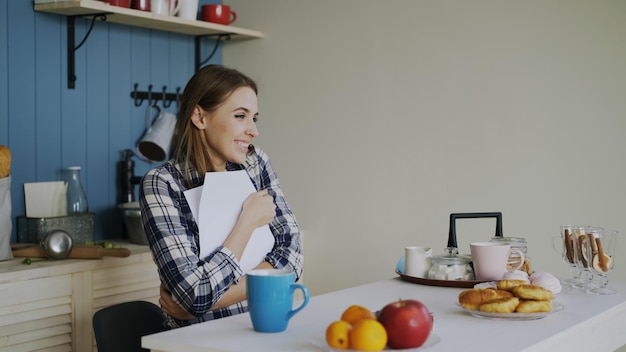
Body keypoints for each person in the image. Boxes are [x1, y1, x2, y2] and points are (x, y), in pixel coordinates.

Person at [139, 65, 303, 329]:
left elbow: (293, 259)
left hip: (261, 328)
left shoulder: (255, 163)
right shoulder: (162, 183)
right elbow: (195, 294)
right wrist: (247, 223)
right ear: (200, 117)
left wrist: (214, 299)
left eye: (254, 118)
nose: (253, 130)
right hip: (199, 341)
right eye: (240, 116)